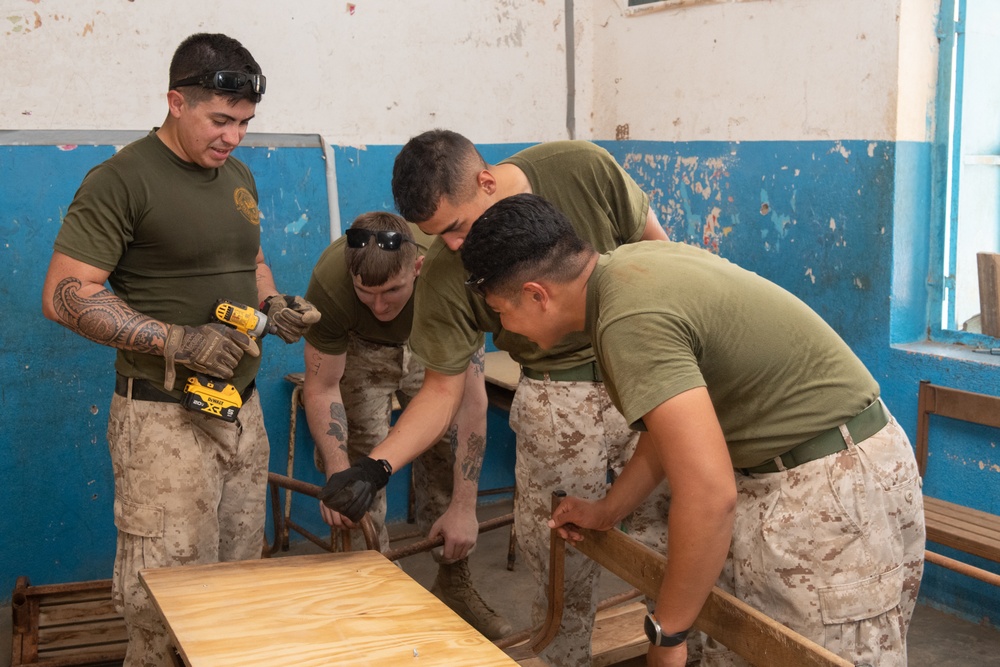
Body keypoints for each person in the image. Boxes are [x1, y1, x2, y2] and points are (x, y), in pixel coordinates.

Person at [458, 192, 926, 667]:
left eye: (502, 311)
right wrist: (609, 509)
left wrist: (668, 632)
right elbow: (672, 437)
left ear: (538, 294)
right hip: (818, 467)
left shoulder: (628, 320)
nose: (504, 328)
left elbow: (707, 493)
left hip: (827, 486)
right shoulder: (628, 270)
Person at [321, 129, 675, 666]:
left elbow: (657, 253)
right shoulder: (443, 270)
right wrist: (376, 466)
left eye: (459, 226)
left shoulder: (581, 169)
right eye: (439, 235)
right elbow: (444, 390)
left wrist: (666, 354)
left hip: (645, 375)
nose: (457, 245)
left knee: (669, 544)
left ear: (487, 182)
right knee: (561, 563)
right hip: (557, 400)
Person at [40, 33, 319, 667]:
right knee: (165, 602)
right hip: (164, 420)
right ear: (175, 102)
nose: (234, 138)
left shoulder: (236, 174)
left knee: (235, 589)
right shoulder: (122, 179)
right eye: (221, 120)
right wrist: (176, 340)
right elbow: (64, 294)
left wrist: (273, 306)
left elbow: (249, 260)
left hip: (241, 414)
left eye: (245, 123)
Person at [301, 210, 511, 639]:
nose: (379, 306)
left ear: (416, 267)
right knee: (362, 466)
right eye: (366, 293)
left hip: (431, 339)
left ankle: (454, 583)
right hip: (361, 354)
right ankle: (375, 598)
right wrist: (338, 467)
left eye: (393, 291)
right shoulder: (330, 280)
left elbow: (472, 405)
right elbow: (322, 387)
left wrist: (465, 507)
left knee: (446, 449)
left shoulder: (452, 271)